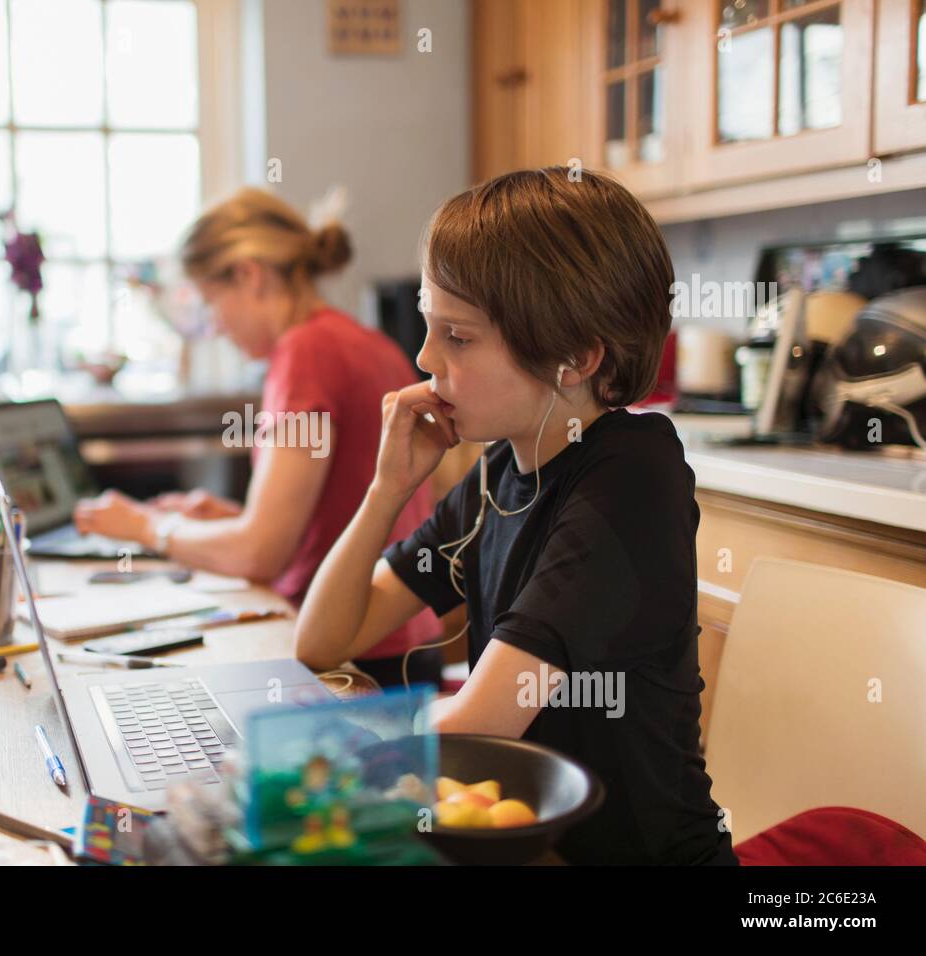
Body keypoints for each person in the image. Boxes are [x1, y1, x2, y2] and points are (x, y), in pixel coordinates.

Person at [294, 167, 737, 865]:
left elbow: (478, 724)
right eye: (428, 324)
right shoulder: (500, 469)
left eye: (457, 337)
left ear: (576, 357)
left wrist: (323, 750)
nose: (423, 356)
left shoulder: (633, 478)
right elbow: (321, 641)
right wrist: (386, 491)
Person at [74, 188, 440, 687]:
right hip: (398, 644)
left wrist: (143, 527)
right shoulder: (360, 341)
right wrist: (230, 519)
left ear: (249, 275)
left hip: (355, 657)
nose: (216, 326)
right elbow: (332, 513)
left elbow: (259, 553)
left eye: (210, 302)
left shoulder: (306, 354)